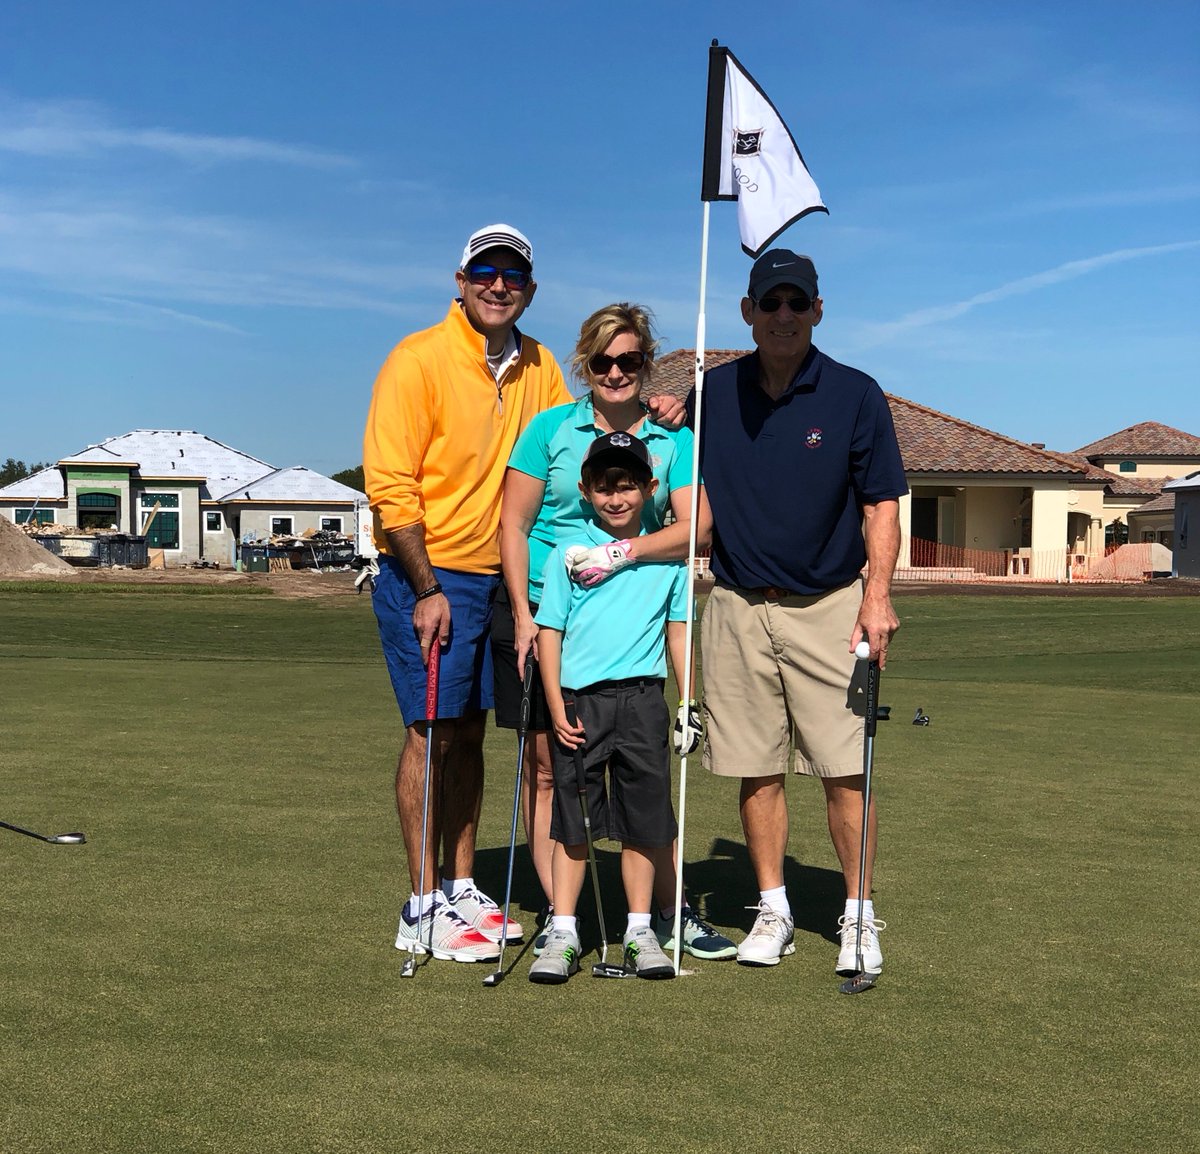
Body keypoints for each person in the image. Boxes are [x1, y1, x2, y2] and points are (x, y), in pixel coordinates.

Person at [496, 303, 735, 961]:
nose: (616, 371)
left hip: (635, 612)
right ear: (586, 363)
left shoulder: (671, 439)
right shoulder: (551, 430)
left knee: (645, 784)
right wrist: (522, 614)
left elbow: (696, 529)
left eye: (629, 360)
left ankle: (667, 912)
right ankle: (560, 917)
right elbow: (513, 526)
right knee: (550, 770)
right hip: (550, 610)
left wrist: (624, 555)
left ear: (646, 362)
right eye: (602, 360)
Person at [692, 249, 907, 974]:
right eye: (770, 302)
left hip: (832, 607)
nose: (783, 315)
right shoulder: (711, 394)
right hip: (739, 606)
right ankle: (774, 909)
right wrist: (661, 408)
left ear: (817, 310)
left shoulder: (854, 393)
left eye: (796, 302)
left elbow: (881, 502)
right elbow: (647, 432)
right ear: (748, 312)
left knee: (846, 771)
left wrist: (877, 597)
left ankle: (857, 917)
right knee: (757, 770)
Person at [363, 223, 572, 963]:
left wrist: (656, 417)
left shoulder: (541, 366)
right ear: (460, 280)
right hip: (431, 573)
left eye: (513, 276)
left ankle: (460, 885)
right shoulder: (417, 359)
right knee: (432, 732)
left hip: (500, 579)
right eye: (485, 271)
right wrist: (426, 586)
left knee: (474, 731)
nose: (498, 285)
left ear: (530, 290)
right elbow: (391, 488)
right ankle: (419, 903)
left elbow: (569, 447)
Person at [529, 432, 690, 982]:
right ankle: (565, 931)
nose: (616, 498)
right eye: (603, 487)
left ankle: (640, 930)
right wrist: (553, 705)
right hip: (579, 702)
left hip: (644, 699)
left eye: (627, 486)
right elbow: (548, 631)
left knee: (644, 823)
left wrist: (689, 700)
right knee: (572, 824)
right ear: (585, 489)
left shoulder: (667, 558)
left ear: (650, 488)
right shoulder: (569, 555)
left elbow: (677, 631)